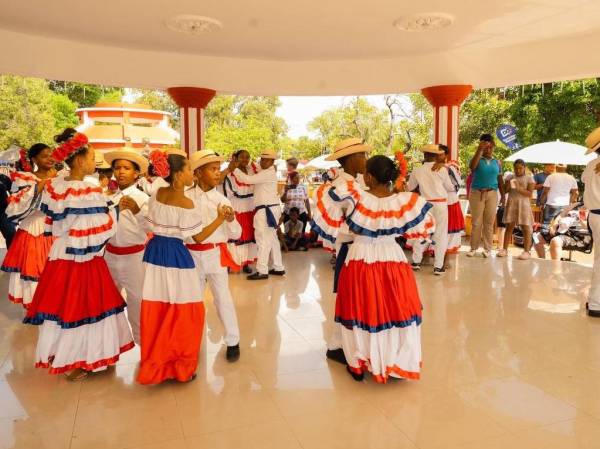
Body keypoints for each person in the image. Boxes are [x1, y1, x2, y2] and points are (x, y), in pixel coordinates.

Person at [23, 129, 134, 381]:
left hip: (61, 253)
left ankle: (70, 357)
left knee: (65, 306)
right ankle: (85, 359)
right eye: (93, 157)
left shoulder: (56, 186)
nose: (96, 162)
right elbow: (100, 228)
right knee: (85, 305)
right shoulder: (87, 190)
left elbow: (54, 223)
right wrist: (115, 210)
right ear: (80, 160)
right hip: (81, 256)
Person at [329, 155, 434, 383]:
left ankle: (359, 362)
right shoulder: (406, 202)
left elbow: (333, 219)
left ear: (368, 176)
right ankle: (393, 363)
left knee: (360, 308)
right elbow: (422, 237)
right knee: (394, 307)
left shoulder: (355, 198)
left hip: (360, 257)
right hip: (393, 258)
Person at [137, 149, 228, 385]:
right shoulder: (187, 203)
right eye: (188, 168)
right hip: (177, 256)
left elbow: (148, 224)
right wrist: (219, 219)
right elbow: (197, 238)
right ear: (178, 175)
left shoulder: (156, 194)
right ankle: (180, 365)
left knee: (158, 309)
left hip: (155, 253)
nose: (192, 173)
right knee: (185, 311)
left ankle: (157, 363)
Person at [310, 137, 370, 364]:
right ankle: (338, 344)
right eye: (361, 155)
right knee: (348, 297)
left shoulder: (359, 181)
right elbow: (338, 224)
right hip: (350, 247)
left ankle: (340, 343)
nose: (365, 159)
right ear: (350, 159)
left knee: (353, 298)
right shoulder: (340, 187)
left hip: (360, 247)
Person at [185, 149, 242, 362]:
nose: (218, 173)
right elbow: (190, 235)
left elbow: (237, 234)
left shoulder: (222, 199)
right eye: (212, 169)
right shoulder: (186, 197)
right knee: (193, 299)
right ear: (198, 173)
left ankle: (233, 341)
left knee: (223, 298)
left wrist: (231, 220)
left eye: (219, 169)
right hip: (191, 255)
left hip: (216, 254)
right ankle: (192, 342)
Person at [102, 148, 150, 344]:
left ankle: (143, 343)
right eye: (117, 168)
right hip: (109, 257)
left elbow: (151, 226)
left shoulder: (143, 198)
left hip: (134, 258)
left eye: (126, 168)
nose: (121, 172)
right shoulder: (110, 198)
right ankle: (110, 345)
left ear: (136, 173)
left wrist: (137, 211)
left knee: (137, 301)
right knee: (107, 301)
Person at [1, 144, 56, 308]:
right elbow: (15, 206)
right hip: (33, 228)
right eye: (44, 156)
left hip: (56, 229)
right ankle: (37, 307)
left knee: (56, 270)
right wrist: (41, 185)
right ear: (34, 159)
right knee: (33, 269)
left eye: (51, 155)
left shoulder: (62, 178)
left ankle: (53, 305)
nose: (49, 158)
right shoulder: (24, 179)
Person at [232, 149, 285, 280]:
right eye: (261, 159)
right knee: (272, 240)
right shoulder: (267, 171)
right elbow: (251, 169)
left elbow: (247, 179)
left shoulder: (267, 173)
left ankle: (262, 270)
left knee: (263, 240)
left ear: (272, 161)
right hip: (270, 209)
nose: (262, 162)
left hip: (266, 210)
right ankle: (278, 267)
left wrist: (234, 169)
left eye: (265, 160)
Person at [407, 144, 454, 275]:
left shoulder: (417, 170)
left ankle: (416, 262)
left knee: (422, 232)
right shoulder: (442, 170)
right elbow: (450, 188)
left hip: (424, 205)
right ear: (435, 156)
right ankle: (438, 266)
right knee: (440, 235)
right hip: (440, 205)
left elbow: (410, 188)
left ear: (425, 155)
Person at [467, 134, 505, 257]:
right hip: (477, 193)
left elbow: (500, 180)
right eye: (485, 147)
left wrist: (503, 196)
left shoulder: (497, 162)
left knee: (489, 222)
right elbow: (472, 167)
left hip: (492, 193)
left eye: (490, 147)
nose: (488, 150)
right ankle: (473, 248)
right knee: (476, 222)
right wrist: (480, 150)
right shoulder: (477, 159)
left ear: (493, 146)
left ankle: (488, 249)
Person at [221, 149, 258, 273]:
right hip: (236, 207)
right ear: (235, 158)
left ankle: (245, 263)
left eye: (247, 157)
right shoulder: (230, 173)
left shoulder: (251, 172)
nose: (245, 159)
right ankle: (230, 263)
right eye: (242, 157)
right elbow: (230, 190)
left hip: (249, 208)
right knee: (234, 235)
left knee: (248, 235)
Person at [497, 159, 535, 260]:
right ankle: (504, 249)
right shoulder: (510, 177)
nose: (518, 170)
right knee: (509, 226)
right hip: (512, 202)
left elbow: (530, 194)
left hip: (524, 204)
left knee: (526, 228)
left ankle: (527, 251)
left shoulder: (529, 178)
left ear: (524, 168)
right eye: (516, 168)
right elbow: (504, 191)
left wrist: (518, 188)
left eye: (520, 168)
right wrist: (508, 184)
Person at [582, 127, 600, 318]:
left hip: (594, 216)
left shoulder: (591, 165)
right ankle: (596, 303)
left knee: (598, 259)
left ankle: (595, 299)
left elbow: (585, 179)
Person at [443, 147, 465, 255]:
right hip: (438, 200)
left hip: (450, 199)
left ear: (445, 155)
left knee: (451, 228)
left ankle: (447, 252)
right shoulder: (428, 168)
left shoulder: (450, 168)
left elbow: (457, 184)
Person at [281, 171, 311, 236]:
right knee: (288, 234)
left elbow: (307, 201)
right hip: (288, 214)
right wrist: (285, 192)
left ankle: (300, 245)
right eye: (296, 178)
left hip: (301, 214)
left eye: (298, 178)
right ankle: (289, 245)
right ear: (291, 179)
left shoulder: (303, 187)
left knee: (301, 234)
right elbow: (282, 200)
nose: (298, 179)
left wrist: (309, 213)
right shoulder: (286, 187)